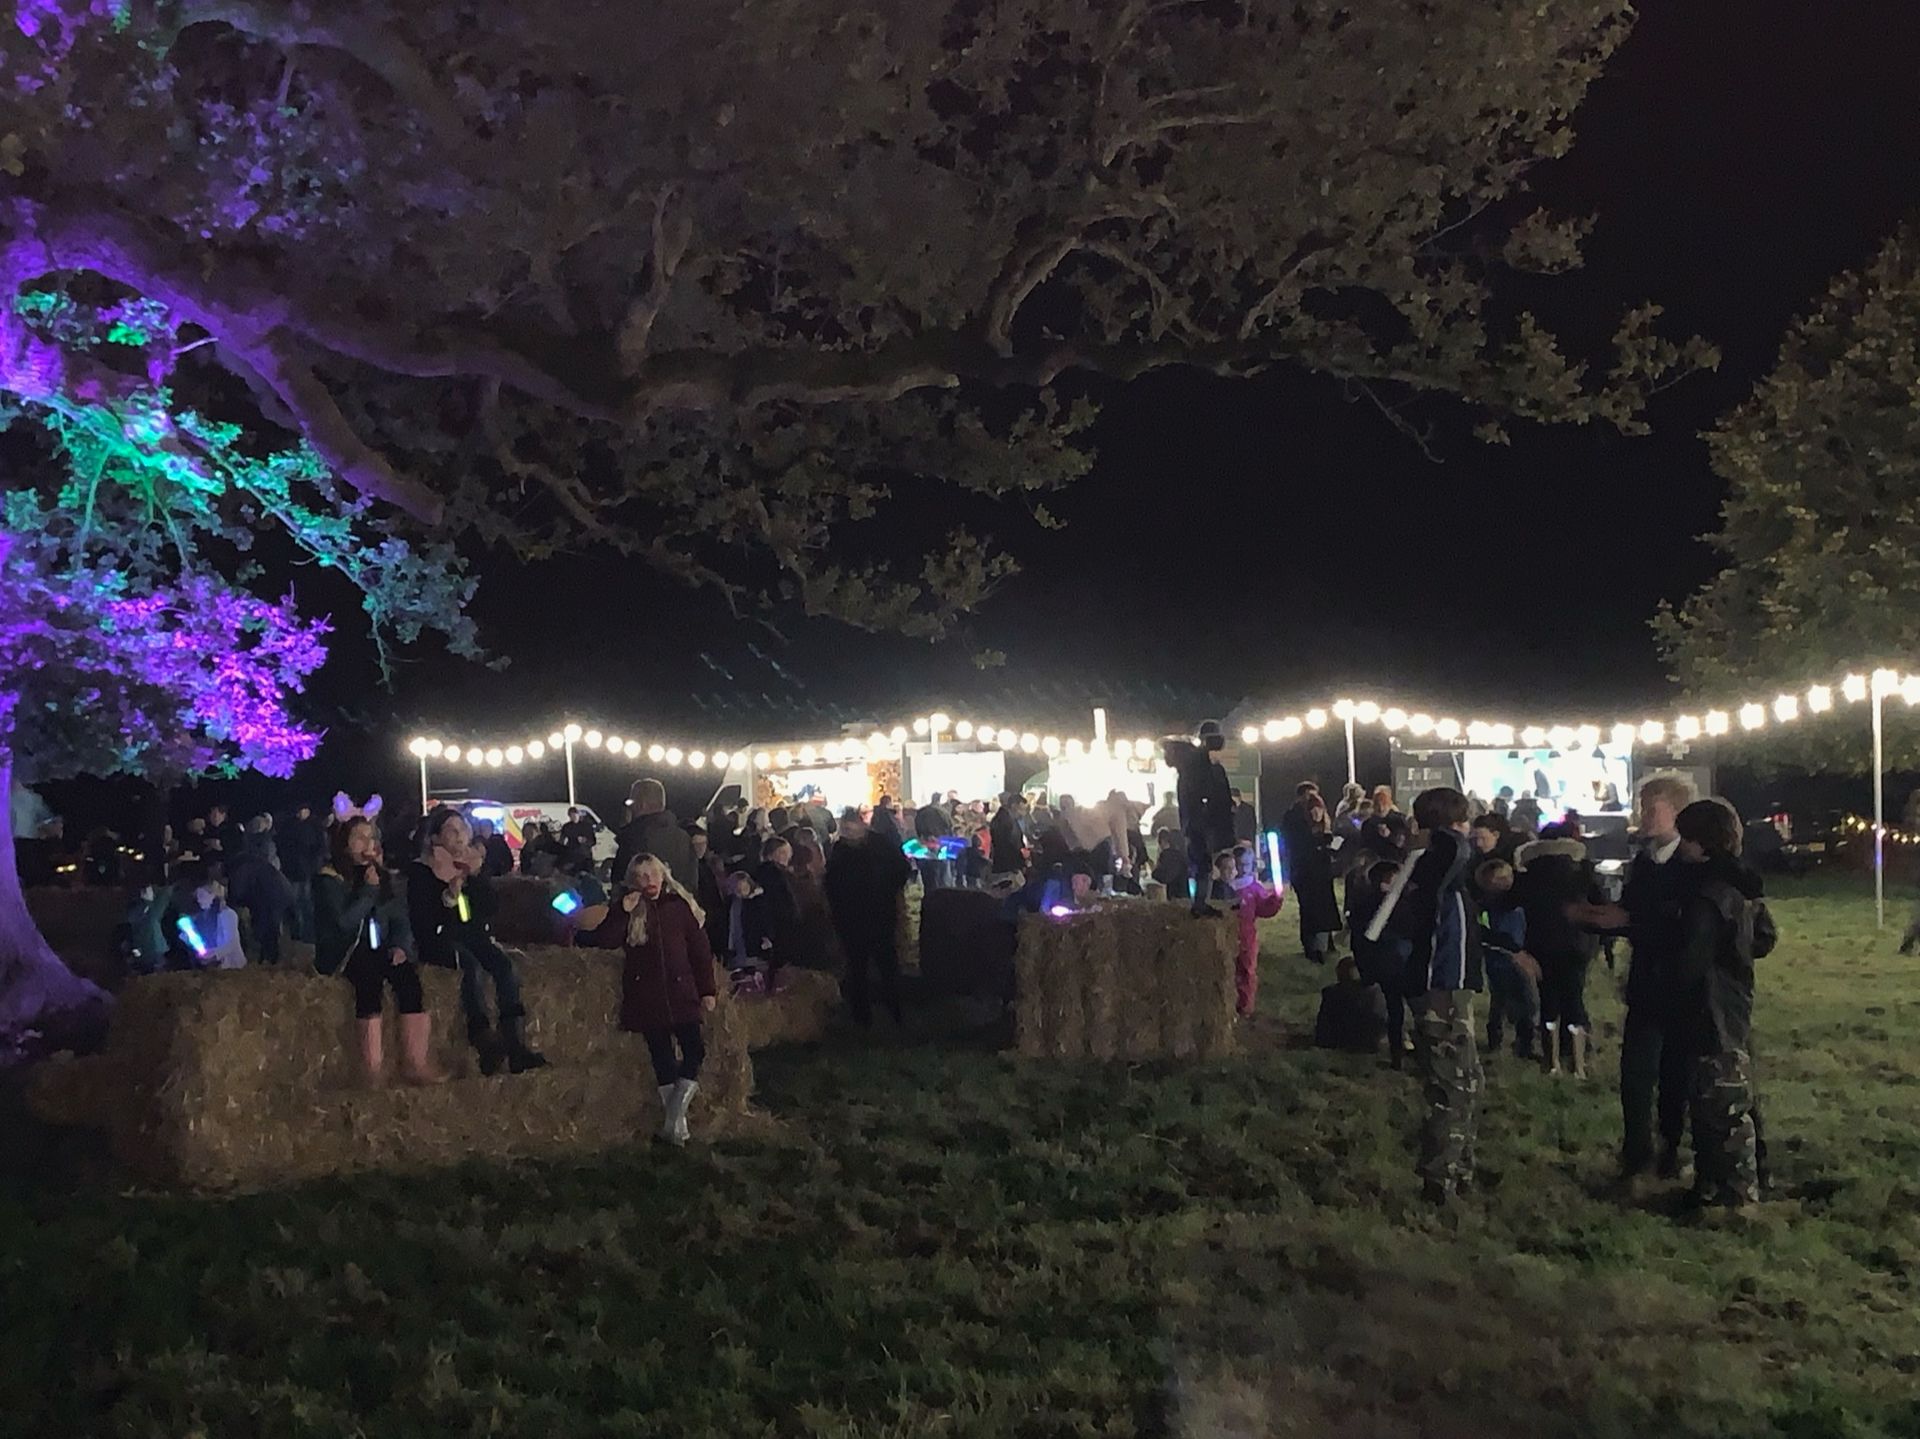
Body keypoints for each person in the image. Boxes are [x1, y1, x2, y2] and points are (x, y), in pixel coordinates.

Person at [1569, 774, 1697, 1183]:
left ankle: (1670, 1149)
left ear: (1676, 812)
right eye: (1642, 806)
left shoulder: (1691, 866)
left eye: (1651, 807)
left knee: (1676, 1073)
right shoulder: (1645, 860)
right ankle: (1637, 1150)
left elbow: (1672, 926)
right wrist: (1596, 918)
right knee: (1636, 1072)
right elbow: (1631, 912)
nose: (1643, 816)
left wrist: (1623, 922)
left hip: (1681, 985)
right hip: (1645, 981)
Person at [1379, 787, 1484, 1204]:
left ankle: (1459, 1169)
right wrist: (1433, 831)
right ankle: (1439, 1182)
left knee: (1468, 1084)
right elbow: (1452, 849)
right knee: (1451, 1087)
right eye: (1465, 822)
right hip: (1438, 989)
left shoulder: (1437, 867)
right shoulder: (1436, 862)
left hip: (1450, 989)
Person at [1671, 799, 1774, 1209]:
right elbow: (1765, 939)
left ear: (1701, 842)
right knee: (1736, 1095)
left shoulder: (1705, 895)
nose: (1681, 847)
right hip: (1735, 1002)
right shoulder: (1744, 885)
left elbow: (1690, 962)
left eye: (1686, 838)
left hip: (1708, 1007)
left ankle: (1732, 1196)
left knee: (1718, 1106)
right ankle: (1741, 1182)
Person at [584, 854, 717, 1145]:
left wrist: (707, 989)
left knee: (695, 1050)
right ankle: (676, 1128)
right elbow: (604, 941)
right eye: (641, 877)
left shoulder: (679, 907)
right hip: (647, 994)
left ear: (663, 875)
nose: (648, 881)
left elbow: (700, 950)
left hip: (681, 991)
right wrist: (621, 911)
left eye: (652, 875)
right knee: (663, 1058)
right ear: (634, 881)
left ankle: (673, 1116)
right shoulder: (630, 909)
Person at [408, 808, 547, 1076]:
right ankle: (482, 1036)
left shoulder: (472, 865)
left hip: (472, 934)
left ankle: (515, 1042)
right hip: (441, 937)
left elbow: (489, 907)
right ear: (437, 838)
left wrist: (476, 877)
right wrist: (449, 895)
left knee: (504, 966)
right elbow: (424, 917)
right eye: (452, 830)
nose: (460, 836)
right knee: (470, 967)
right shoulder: (423, 870)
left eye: (462, 829)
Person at [313, 815, 445, 1086]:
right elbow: (343, 923)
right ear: (344, 843)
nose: (367, 843)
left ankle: (415, 1063)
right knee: (368, 979)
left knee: (408, 979)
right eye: (359, 837)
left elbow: (399, 917)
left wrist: (400, 945)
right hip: (344, 951)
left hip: (378, 947)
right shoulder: (329, 879)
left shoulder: (382, 876)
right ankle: (371, 1068)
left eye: (371, 837)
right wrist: (368, 892)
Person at [1514, 826, 1602, 1077]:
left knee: (1548, 1001)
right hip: (1577, 945)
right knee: (1574, 999)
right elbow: (1600, 904)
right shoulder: (1582, 873)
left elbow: (1508, 902)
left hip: (1540, 945)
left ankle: (1551, 1062)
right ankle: (1578, 1063)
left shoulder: (1529, 875)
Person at [824, 808, 914, 1027]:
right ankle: (862, 1017)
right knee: (858, 968)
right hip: (852, 920)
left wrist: (888, 890)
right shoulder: (840, 851)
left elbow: (901, 868)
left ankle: (895, 1011)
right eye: (845, 830)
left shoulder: (879, 845)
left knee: (887, 965)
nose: (848, 833)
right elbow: (831, 884)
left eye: (851, 828)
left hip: (879, 915)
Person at [1166, 721, 1235, 918]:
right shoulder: (1200, 766)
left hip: (1200, 823)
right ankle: (1200, 905)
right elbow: (1204, 795)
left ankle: (1201, 902)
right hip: (1202, 824)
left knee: (1205, 863)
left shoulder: (1196, 766)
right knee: (1203, 864)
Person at [1473, 859, 1540, 1060]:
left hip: (1519, 957)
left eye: (1507, 877)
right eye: (1500, 878)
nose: (1506, 881)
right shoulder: (1486, 907)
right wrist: (1510, 949)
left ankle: (1522, 1043)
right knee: (1504, 1001)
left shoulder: (1519, 903)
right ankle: (1498, 1040)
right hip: (1501, 960)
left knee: (1524, 1002)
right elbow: (1485, 933)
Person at [1348, 860, 1409, 1065]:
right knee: (1396, 1008)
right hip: (1394, 964)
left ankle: (1395, 1049)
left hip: (1379, 965)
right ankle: (1398, 1050)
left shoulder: (1362, 904)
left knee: (1392, 1007)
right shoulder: (1394, 906)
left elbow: (1357, 939)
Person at [1285, 789, 1342, 963]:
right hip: (1306, 876)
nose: (1317, 813)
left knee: (1324, 910)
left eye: (1319, 809)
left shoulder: (1324, 828)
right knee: (1309, 911)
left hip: (1323, 876)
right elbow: (1300, 850)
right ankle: (1312, 948)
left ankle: (1323, 945)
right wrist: (1319, 844)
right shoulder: (1298, 826)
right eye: (1313, 809)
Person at [1230, 845, 1285, 1017]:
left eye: (1246, 864)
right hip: (1228, 934)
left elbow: (1264, 909)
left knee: (1247, 970)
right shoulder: (1227, 887)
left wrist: (1275, 900)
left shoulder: (1253, 888)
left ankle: (1245, 1006)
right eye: (1239, 864)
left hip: (1247, 936)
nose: (1243, 868)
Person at [614, 779, 696, 894]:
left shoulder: (634, 838)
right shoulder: (684, 838)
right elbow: (692, 883)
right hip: (678, 908)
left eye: (631, 803)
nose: (629, 808)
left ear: (642, 804)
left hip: (643, 909)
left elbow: (620, 880)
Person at [224, 838, 293, 966]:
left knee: (265, 927)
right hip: (278, 892)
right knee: (270, 926)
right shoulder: (252, 861)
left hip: (270, 896)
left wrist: (229, 902)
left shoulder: (241, 867)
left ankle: (268, 958)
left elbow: (237, 891)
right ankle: (270, 956)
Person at [172, 861, 246, 969]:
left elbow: (231, 943)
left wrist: (212, 955)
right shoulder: (201, 916)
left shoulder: (228, 915)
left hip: (233, 968)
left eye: (202, 895)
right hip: (217, 970)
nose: (199, 899)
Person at [1315, 956, 1389, 1052]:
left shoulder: (1331, 993)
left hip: (1342, 1042)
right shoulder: (1379, 992)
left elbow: (1323, 1026)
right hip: (1374, 1043)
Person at [279, 804, 327, 942]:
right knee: (293, 904)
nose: (300, 813)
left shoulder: (314, 826)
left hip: (307, 872)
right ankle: (296, 933)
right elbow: (283, 846)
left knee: (306, 904)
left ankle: (308, 934)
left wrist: (314, 865)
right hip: (292, 871)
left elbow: (320, 848)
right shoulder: (289, 826)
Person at [914, 794, 954, 890]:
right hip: (941, 842)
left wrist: (923, 837)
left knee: (927, 873)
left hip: (925, 841)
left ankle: (930, 893)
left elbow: (917, 826)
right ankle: (944, 894)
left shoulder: (922, 812)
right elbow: (949, 826)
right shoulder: (943, 812)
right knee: (944, 873)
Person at [989, 794, 1030, 883]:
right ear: (1014, 806)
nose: (1023, 814)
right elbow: (1008, 844)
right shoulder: (1004, 820)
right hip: (1007, 866)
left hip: (1008, 865)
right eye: (1021, 809)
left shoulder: (1007, 819)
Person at [1151, 828, 1190, 900]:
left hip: (1176, 896)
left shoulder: (1169, 856)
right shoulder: (1181, 855)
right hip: (1182, 895)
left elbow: (1166, 877)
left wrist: (1154, 872)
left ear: (1162, 841)